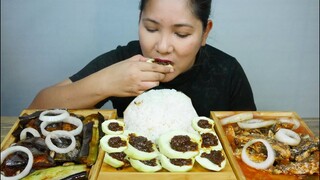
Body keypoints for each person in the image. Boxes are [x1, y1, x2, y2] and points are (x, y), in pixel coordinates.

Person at [28, 0, 256, 117]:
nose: (163, 47)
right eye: (151, 28)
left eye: (181, 34)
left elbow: (248, 143)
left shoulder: (227, 71)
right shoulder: (124, 59)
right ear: (140, 21)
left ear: (205, 33)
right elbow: (36, 108)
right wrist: (106, 82)